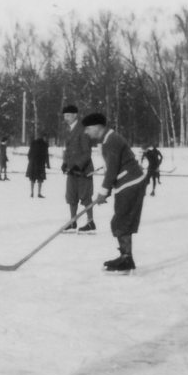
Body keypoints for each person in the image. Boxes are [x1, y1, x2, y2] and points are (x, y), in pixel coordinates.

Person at [83, 113, 147, 272]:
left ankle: (126, 259)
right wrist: (107, 190)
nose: (86, 132)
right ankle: (126, 257)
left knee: (121, 221)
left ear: (98, 127)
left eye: (88, 128)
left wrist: (103, 192)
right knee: (120, 221)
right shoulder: (107, 139)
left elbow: (112, 170)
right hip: (126, 183)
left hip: (130, 183)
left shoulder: (111, 140)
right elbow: (112, 169)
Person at [60, 105, 95, 233]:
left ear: (75, 115)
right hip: (71, 170)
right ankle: (73, 221)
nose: (66, 118)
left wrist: (78, 165)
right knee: (71, 196)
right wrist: (65, 163)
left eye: (68, 115)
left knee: (85, 196)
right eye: (64, 116)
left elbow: (87, 152)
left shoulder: (83, 130)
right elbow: (68, 150)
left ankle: (90, 222)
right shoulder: (69, 130)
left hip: (83, 170)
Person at [25, 132, 50, 198]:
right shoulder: (45, 144)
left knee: (32, 178)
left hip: (33, 164)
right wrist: (48, 164)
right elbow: (46, 155)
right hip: (41, 164)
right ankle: (39, 193)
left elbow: (29, 154)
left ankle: (32, 193)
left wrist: (31, 161)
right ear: (44, 137)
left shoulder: (33, 143)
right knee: (40, 179)